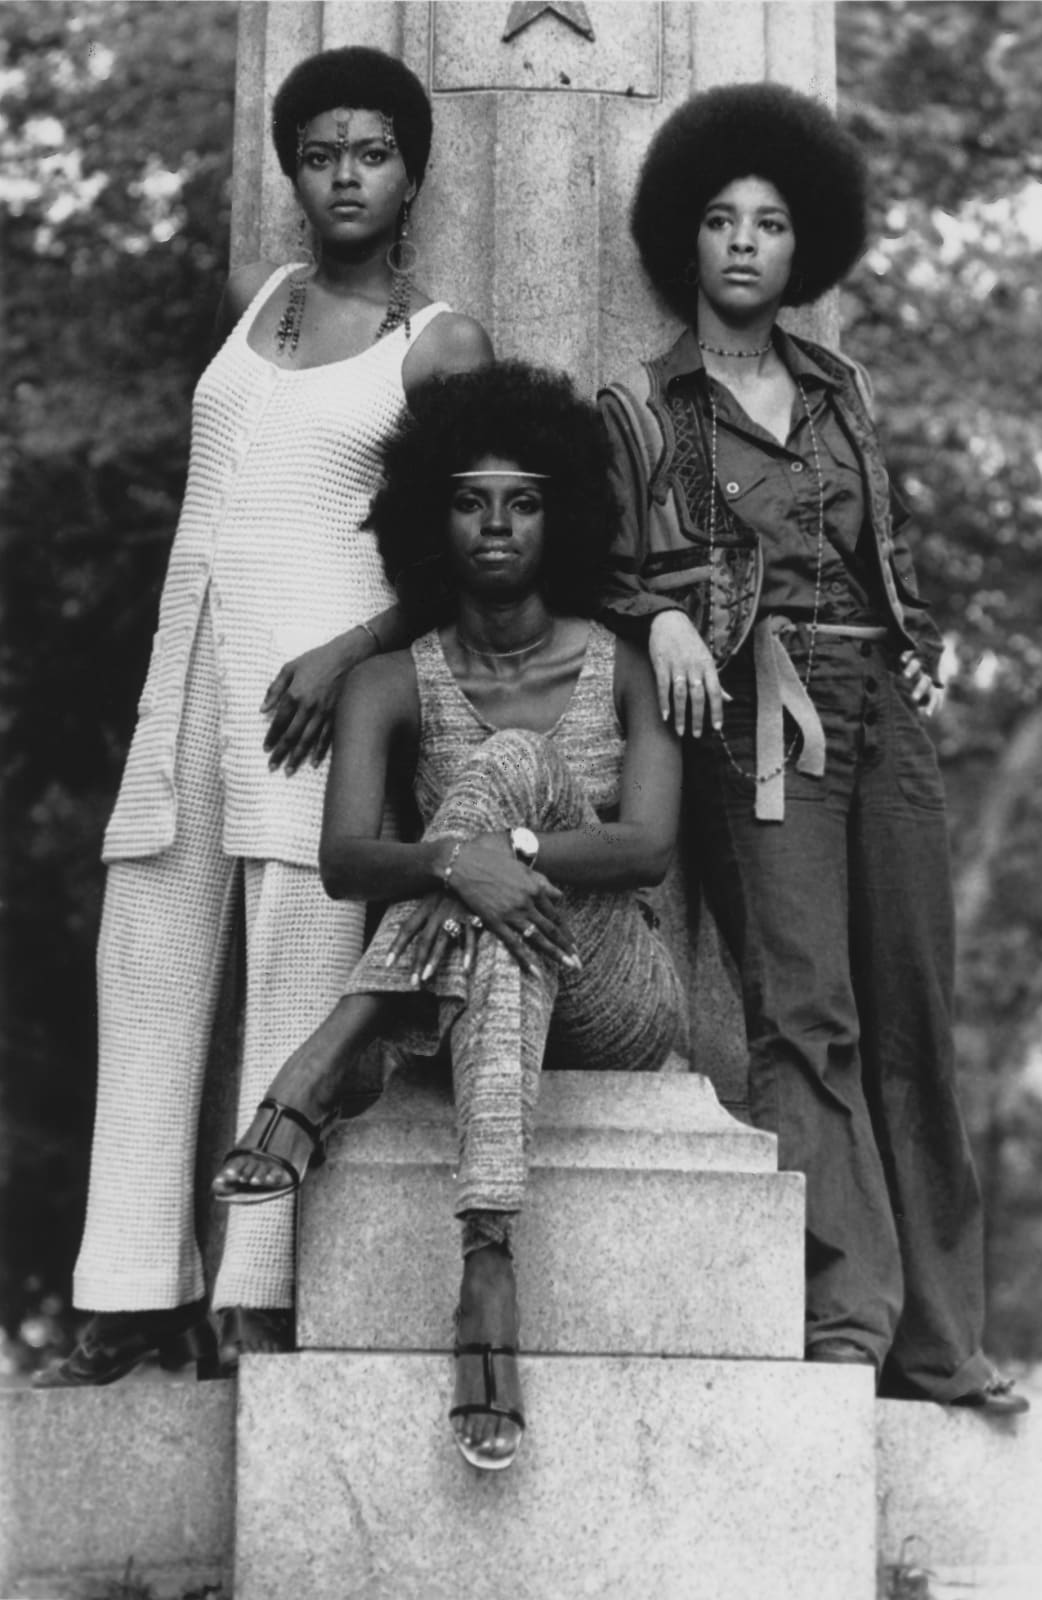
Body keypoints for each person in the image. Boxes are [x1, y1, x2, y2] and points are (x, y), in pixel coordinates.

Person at [35, 46, 492, 1388]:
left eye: (372, 154)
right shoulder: (256, 303)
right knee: (147, 964)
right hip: (186, 672)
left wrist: (348, 655)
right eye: (320, 153)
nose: (345, 176)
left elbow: (464, 553)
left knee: (296, 966)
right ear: (291, 169)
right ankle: (128, 1297)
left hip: (315, 699)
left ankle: (257, 1293)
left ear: (410, 175)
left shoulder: (438, 342)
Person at [597, 83, 1026, 1415]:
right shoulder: (642, 405)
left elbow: (876, 555)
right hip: (756, 712)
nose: (742, 242)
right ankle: (846, 1312)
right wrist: (664, 616)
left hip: (879, 713)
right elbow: (602, 565)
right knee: (803, 1014)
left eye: (770, 223)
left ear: (803, 246)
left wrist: (918, 642)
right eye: (721, 219)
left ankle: (940, 1343)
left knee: (911, 1010)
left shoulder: (840, 388)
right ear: (685, 236)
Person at [211, 362, 686, 1468]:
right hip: (475, 983)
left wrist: (499, 854)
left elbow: (648, 849)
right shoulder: (390, 681)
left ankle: (326, 1058)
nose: (497, 525)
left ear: (560, 518)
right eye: (471, 501)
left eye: (523, 502)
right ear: (435, 515)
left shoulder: (622, 665)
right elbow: (343, 862)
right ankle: (487, 1264)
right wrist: (455, 866)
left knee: (511, 767)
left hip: (615, 989)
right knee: (491, 927)